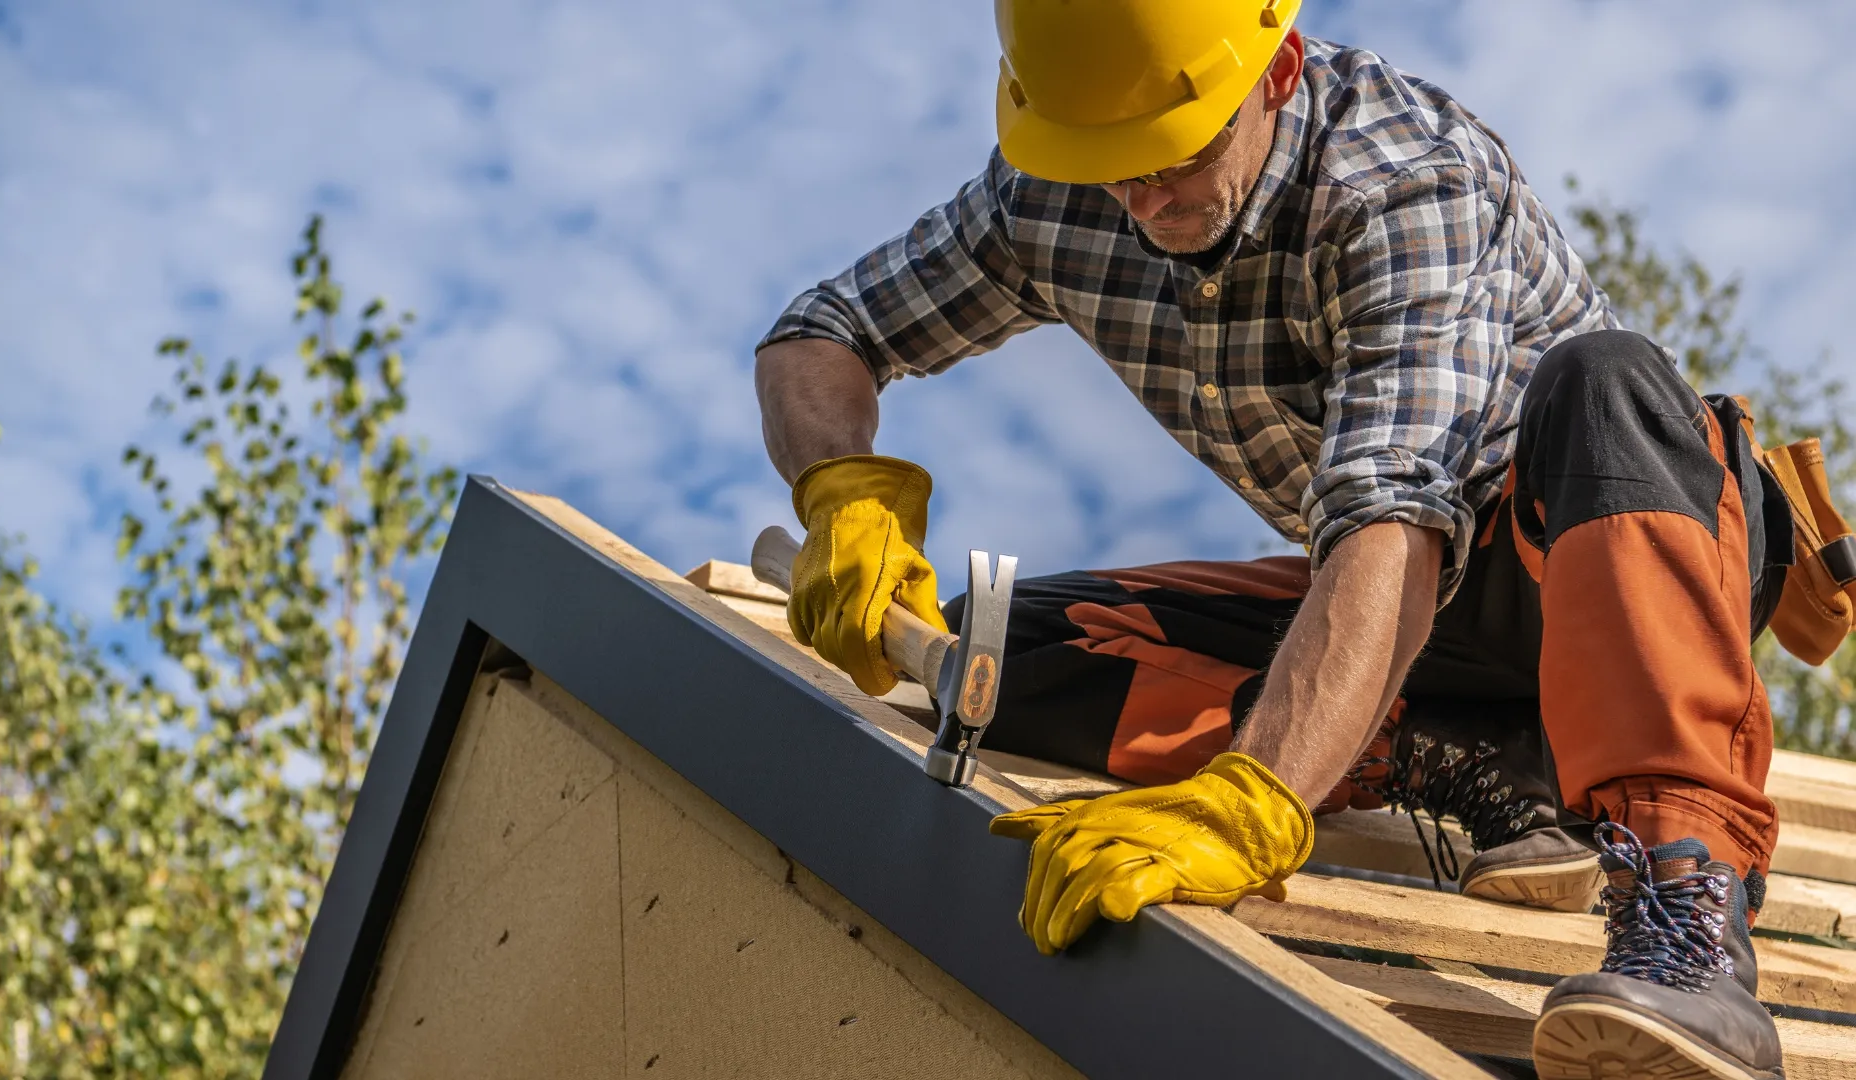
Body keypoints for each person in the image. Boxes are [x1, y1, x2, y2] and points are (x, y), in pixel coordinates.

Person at [753, 3, 1787, 1076]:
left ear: (1279, 69)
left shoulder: (1399, 179)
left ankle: (1687, 926)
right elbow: (820, 335)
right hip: (1414, 605)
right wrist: (843, 494)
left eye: (1179, 155)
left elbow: (1396, 512)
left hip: (1606, 554)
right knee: (998, 650)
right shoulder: (1052, 195)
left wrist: (1259, 800)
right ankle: (1489, 759)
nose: (1145, 199)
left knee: (1610, 377)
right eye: (1112, 166)